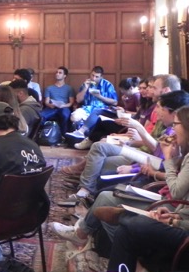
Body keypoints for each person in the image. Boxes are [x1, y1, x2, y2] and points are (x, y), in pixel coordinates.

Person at [52, 98, 189, 247]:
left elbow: (173, 187)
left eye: (177, 124)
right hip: (165, 194)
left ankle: (88, 236)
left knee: (106, 197)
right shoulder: (178, 144)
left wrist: (166, 158)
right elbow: (171, 172)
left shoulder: (181, 148)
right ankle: (88, 223)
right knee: (102, 164)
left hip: (169, 201)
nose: (156, 110)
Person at [63, 90, 189, 202]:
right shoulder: (169, 128)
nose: (157, 110)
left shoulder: (175, 135)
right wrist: (129, 141)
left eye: (160, 108)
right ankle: (85, 186)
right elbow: (157, 155)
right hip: (143, 159)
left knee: (100, 158)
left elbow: (161, 164)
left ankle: (85, 187)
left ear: (173, 113)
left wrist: (134, 168)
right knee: (100, 150)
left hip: (147, 167)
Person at [66, 66, 118, 147]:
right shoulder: (86, 84)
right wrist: (85, 88)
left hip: (102, 110)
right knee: (74, 116)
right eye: (92, 75)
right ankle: (81, 135)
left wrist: (100, 96)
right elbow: (78, 100)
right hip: (87, 108)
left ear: (101, 77)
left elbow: (115, 102)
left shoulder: (107, 85)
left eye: (97, 76)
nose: (94, 78)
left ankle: (83, 133)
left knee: (96, 115)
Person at [42, 66, 76, 136]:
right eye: (57, 72)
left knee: (65, 115)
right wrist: (50, 105)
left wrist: (63, 105)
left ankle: (64, 136)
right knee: (41, 116)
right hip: (52, 107)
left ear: (64, 76)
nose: (57, 74)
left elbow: (71, 102)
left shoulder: (69, 88)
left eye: (60, 73)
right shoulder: (49, 88)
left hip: (64, 107)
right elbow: (46, 102)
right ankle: (42, 135)